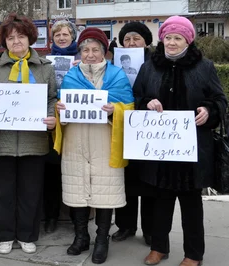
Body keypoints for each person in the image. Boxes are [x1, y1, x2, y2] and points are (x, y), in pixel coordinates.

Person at [132, 16, 227, 266]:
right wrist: (146, 103)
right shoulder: (149, 66)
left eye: (178, 38)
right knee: (160, 200)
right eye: (168, 37)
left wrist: (208, 111)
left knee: (191, 204)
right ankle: (159, 247)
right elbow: (137, 96)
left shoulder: (203, 66)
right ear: (161, 39)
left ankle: (193, 254)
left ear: (188, 40)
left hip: (192, 148)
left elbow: (219, 99)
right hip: (159, 147)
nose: (171, 43)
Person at [0, 13, 57, 255]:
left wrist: (52, 118)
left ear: (30, 38)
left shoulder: (44, 69)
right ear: (4, 42)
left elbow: (52, 98)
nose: (16, 41)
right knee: (4, 193)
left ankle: (28, 235)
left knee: (31, 193)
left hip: (35, 141)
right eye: (10, 38)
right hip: (2, 142)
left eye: (21, 36)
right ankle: (5, 234)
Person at [54, 27, 134, 264]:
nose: (90, 54)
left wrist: (115, 111)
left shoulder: (118, 76)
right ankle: (81, 237)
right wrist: (61, 111)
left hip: (104, 141)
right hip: (76, 141)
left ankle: (101, 239)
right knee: (77, 190)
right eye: (85, 50)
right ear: (80, 51)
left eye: (95, 50)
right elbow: (62, 110)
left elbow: (129, 108)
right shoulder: (70, 76)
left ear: (104, 53)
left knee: (104, 193)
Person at [112, 21, 155, 246]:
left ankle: (149, 229)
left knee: (148, 180)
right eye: (127, 39)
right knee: (126, 179)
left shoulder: (158, 63)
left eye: (136, 38)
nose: (131, 42)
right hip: (122, 124)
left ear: (146, 41)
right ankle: (125, 225)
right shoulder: (115, 64)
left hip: (149, 128)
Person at [43, 19, 82, 234]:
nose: (61, 38)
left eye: (65, 34)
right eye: (57, 35)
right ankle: (51, 216)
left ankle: (78, 219)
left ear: (73, 36)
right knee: (51, 170)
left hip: (76, 121)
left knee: (74, 171)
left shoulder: (83, 58)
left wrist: (83, 68)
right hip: (52, 119)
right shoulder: (45, 61)